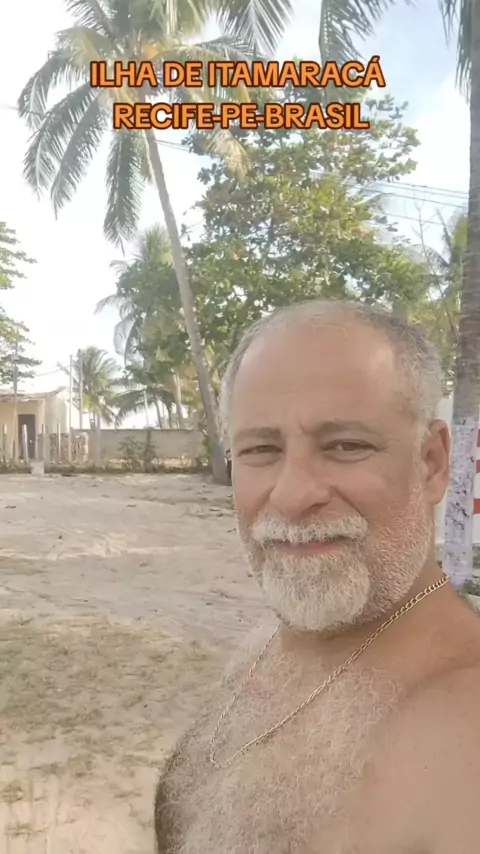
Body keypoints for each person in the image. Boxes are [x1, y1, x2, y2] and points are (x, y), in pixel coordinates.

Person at [154, 300, 480, 854]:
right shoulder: (271, 646)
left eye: (346, 446)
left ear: (431, 462)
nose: (292, 494)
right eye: (261, 449)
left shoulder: (462, 731)